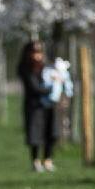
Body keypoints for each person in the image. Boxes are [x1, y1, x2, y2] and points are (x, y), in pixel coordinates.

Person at [18, 41, 68, 173]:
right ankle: (35, 161)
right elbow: (34, 88)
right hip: (34, 106)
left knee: (51, 132)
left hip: (50, 105)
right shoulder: (25, 68)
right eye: (34, 52)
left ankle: (48, 160)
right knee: (35, 134)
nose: (37, 56)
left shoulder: (47, 66)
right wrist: (53, 87)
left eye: (39, 52)